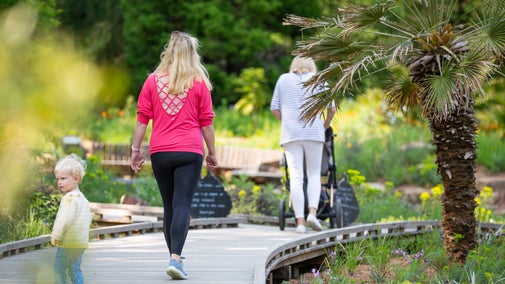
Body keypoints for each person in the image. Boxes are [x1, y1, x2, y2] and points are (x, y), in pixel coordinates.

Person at [130, 31, 218, 280]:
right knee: (182, 204)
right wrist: (212, 153)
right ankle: (175, 258)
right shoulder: (199, 82)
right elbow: (207, 123)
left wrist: (136, 151)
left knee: (169, 205)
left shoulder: (152, 81)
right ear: (193, 53)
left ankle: (174, 257)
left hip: (161, 152)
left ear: (169, 51)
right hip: (190, 151)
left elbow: (141, 120)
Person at [270, 56, 335, 234]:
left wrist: (287, 121)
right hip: (314, 132)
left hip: (291, 134)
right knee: (314, 174)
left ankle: (300, 223)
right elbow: (332, 108)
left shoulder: (283, 79)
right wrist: (325, 125)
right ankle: (312, 214)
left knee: (296, 176)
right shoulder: (320, 79)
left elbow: (274, 108)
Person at [51, 154, 93, 284]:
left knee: (59, 268)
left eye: (63, 178)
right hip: (80, 243)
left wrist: (56, 236)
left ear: (76, 179)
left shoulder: (69, 198)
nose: (59, 182)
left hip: (68, 242)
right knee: (75, 269)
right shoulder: (83, 199)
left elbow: (64, 220)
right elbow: (89, 218)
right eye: (57, 179)